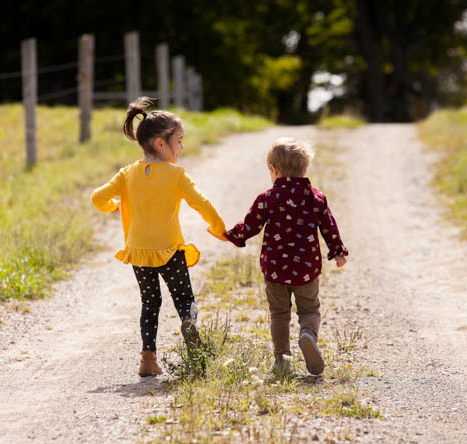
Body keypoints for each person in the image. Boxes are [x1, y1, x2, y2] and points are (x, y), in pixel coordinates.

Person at [90, 97, 226, 377]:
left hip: (139, 251)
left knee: (150, 302)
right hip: (169, 250)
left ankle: (148, 359)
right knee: (184, 298)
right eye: (179, 140)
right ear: (160, 144)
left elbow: (97, 197)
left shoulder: (127, 174)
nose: (182, 146)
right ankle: (192, 341)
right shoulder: (177, 175)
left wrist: (113, 206)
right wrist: (218, 228)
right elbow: (202, 203)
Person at [222, 137, 348, 376]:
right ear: (304, 169)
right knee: (309, 310)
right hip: (307, 270)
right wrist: (338, 252)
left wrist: (230, 235)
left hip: (275, 269)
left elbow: (250, 226)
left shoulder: (267, 198)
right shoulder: (316, 197)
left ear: (274, 170)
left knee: (279, 314)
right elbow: (329, 227)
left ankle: (282, 359)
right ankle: (308, 334)